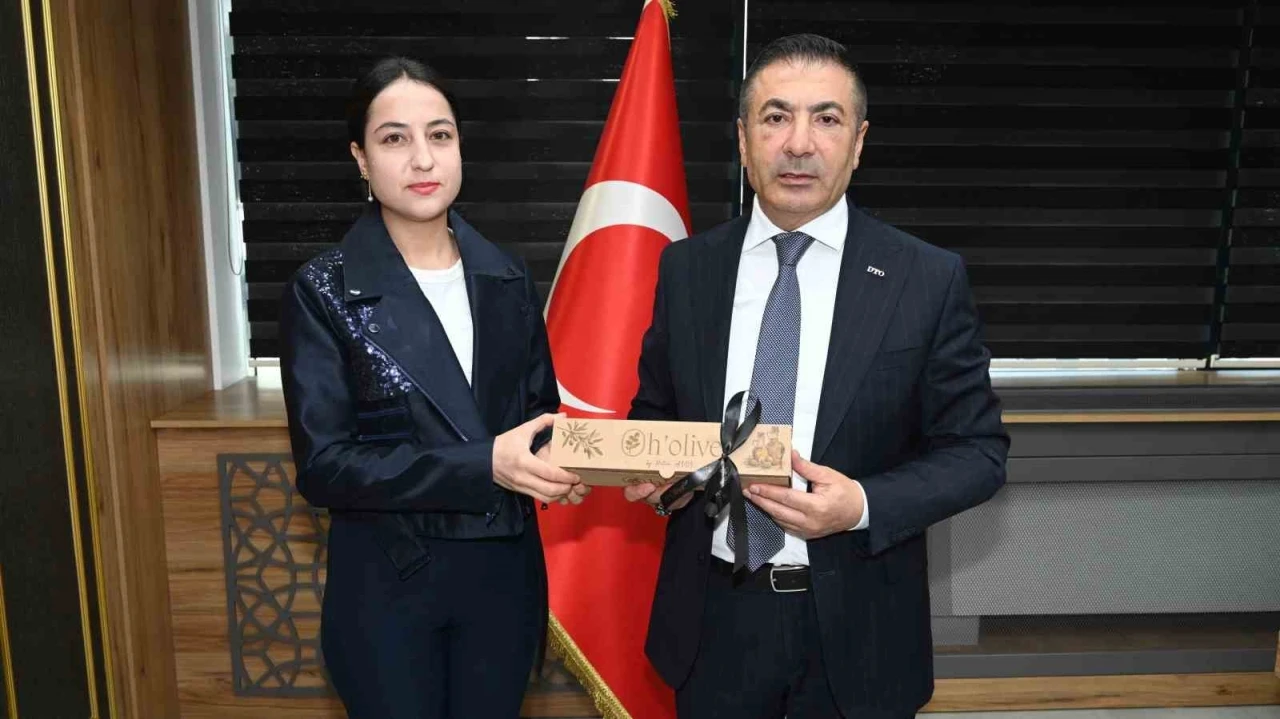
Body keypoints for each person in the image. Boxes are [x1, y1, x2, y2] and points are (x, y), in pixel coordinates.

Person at [624, 34, 1010, 719]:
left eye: (826, 119)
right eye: (775, 117)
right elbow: (655, 411)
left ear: (858, 143)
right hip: (712, 622)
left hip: (860, 628)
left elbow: (978, 453)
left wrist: (860, 504)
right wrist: (658, 475)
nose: (799, 144)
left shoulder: (925, 277)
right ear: (743, 140)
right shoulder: (687, 269)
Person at [278, 56, 588, 719]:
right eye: (395, 138)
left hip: (504, 583)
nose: (423, 158)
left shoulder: (507, 275)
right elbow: (325, 467)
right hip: (390, 584)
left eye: (439, 135)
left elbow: (537, 417)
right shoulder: (322, 290)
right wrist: (487, 463)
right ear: (361, 159)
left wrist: (573, 464)